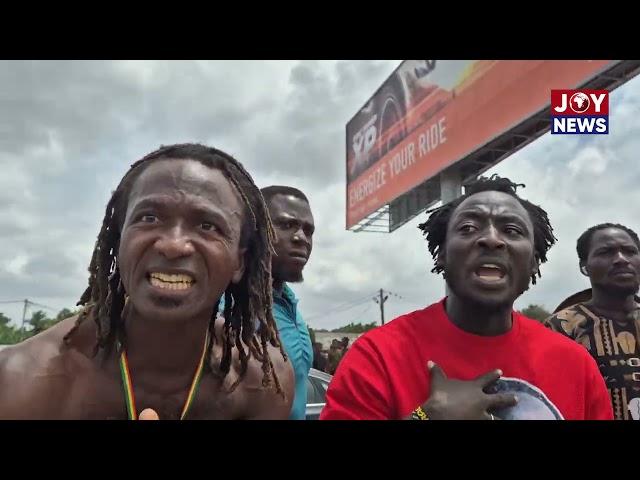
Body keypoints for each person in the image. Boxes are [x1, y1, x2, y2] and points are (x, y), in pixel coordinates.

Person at [0, 143, 294, 420]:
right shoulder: (26, 380)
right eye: (150, 217)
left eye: (207, 225)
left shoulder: (263, 381)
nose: (173, 245)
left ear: (239, 262)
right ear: (119, 241)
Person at [320, 175, 613, 420]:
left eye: (511, 230)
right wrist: (424, 417)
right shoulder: (376, 357)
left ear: (535, 261)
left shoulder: (576, 366)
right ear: (442, 254)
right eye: (468, 228)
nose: (491, 239)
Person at [218, 185, 314, 420]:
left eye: (308, 230)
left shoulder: (288, 304)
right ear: (253, 231)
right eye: (286, 225)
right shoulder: (227, 306)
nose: (301, 238)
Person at [544, 223, 640, 420]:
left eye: (630, 251)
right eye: (606, 252)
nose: (621, 259)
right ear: (584, 267)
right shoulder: (561, 327)